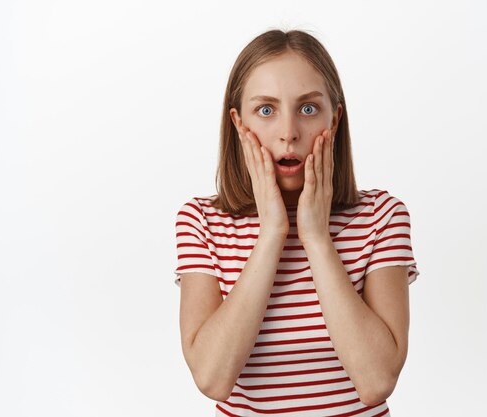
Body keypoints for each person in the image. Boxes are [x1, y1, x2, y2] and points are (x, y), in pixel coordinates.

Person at [173, 28, 420, 417]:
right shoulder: (201, 221)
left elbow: (376, 381)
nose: (289, 133)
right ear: (239, 124)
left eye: (307, 108)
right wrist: (272, 232)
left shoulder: (382, 216)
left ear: (334, 120)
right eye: (266, 110)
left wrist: (317, 238)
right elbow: (212, 378)